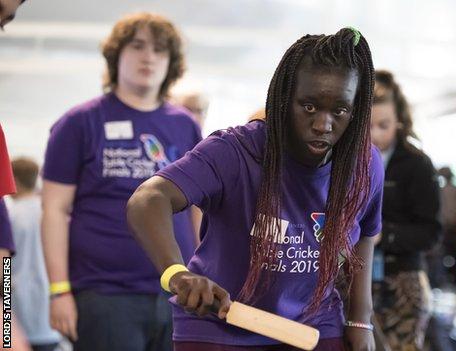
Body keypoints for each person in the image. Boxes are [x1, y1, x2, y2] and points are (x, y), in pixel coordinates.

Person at [126, 27, 382, 350]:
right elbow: (148, 199)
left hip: (314, 326)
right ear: (283, 99)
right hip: (221, 324)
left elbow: (367, 234)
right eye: (309, 107)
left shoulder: (363, 165)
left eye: (339, 111)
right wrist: (177, 274)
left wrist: (361, 318)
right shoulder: (235, 151)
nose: (323, 125)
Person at [41, 12, 202, 350]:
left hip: (178, 292)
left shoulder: (186, 126)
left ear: (171, 62)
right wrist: (59, 291)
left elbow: (199, 209)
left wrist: (206, 273)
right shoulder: (78, 123)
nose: (148, 57)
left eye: (160, 50)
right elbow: (54, 210)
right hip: (104, 294)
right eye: (138, 46)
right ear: (116, 55)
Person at [369, 70, 440, 350]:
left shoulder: (417, 164)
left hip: (403, 281)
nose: (374, 135)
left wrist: (383, 235)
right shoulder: (343, 162)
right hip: (354, 280)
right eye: (367, 125)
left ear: (399, 121)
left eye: (383, 125)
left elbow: (431, 233)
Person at [8, 158, 61, 351]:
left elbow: (5, 264)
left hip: (16, 306)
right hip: (49, 304)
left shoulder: (11, 216)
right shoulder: (51, 213)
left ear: (14, 180)